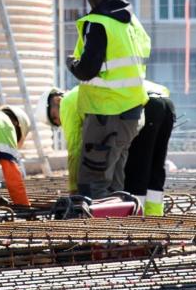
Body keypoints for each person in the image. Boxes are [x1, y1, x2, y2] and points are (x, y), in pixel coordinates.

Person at [67, 0, 150, 198]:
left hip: (105, 114)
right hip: (132, 113)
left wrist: (71, 63)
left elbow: (86, 70)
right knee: (114, 183)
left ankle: (97, 223)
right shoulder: (132, 23)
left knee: (92, 183)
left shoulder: (97, 23)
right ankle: (117, 222)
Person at [46, 80, 176, 216]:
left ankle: (137, 219)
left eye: (54, 117)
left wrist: (73, 187)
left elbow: (75, 148)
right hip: (165, 104)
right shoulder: (85, 91)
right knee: (155, 168)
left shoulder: (67, 102)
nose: (59, 121)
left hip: (141, 106)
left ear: (56, 100)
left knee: (135, 171)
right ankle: (154, 216)